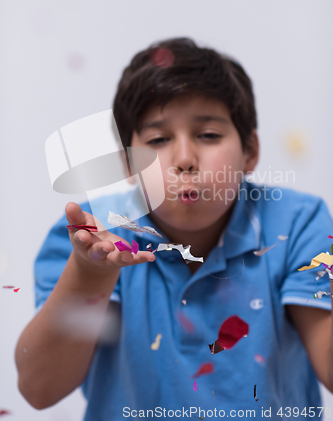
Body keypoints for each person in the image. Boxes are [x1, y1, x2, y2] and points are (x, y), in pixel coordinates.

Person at [15, 38, 333, 420]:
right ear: (129, 165)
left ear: (250, 151)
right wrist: (90, 274)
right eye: (158, 140)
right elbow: (39, 389)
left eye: (208, 135)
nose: (185, 158)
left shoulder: (297, 223)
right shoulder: (90, 234)